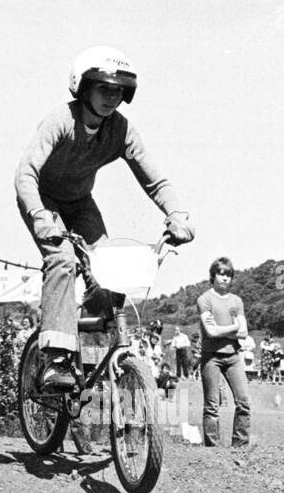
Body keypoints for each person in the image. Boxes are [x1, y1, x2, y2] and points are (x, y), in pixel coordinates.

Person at [15, 45, 194, 393]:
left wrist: (177, 215)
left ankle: (84, 337)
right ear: (82, 87)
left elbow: (155, 180)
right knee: (63, 261)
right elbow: (26, 173)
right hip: (43, 200)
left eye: (118, 91)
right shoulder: (60, 121)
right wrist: (40, 218)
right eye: (103, 89)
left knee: (111, 270)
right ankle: (55, 360)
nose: (111, 98)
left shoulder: (121, 130)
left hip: (80, 203)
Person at [197, 256, 251, 447]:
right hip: (211, 357)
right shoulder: (204, 299)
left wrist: (223, 331)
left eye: (228, 274)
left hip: (234, 357)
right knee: (212, 406)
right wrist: (233, 328)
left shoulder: (236, 301)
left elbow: (243, 332)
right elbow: (210, 332)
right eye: (221, 273)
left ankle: (240, 446)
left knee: (243, 401)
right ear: (213, 275)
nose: (224, 278)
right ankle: (213, 450)